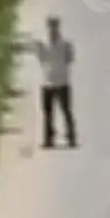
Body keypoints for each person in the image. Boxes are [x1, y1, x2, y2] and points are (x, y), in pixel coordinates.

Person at [35, 16, 77, 149]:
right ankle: (48, 138)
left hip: (63, 81)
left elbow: (70, 59)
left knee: (66, 110)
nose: (52, 29)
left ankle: (71, 137)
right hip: (47, 81)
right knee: (47, 113)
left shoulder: (65, 44)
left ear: (58, 27)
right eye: (50, 26)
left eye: (55, 26)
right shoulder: (42, 43)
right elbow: (41, 59)